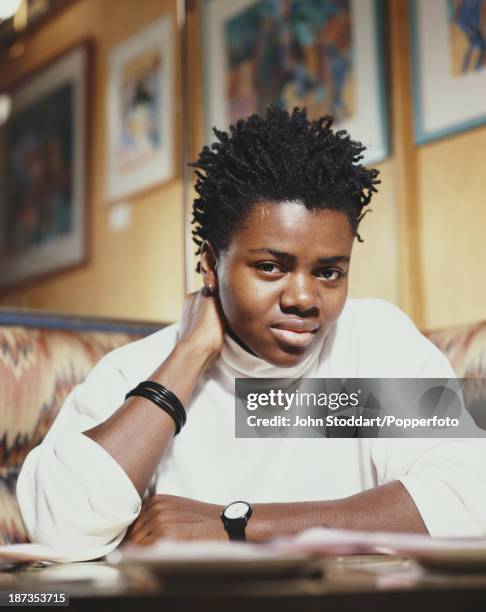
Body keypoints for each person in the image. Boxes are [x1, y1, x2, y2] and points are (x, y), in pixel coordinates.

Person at [17, 106, 486, 562]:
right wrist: (191, 354)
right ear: (209, 263)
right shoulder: (137, 369)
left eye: (329, 272)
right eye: (270, 267)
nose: (303, 297)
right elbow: (61, 528)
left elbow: (469, 495)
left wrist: (237, 524)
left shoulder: (372, 342)